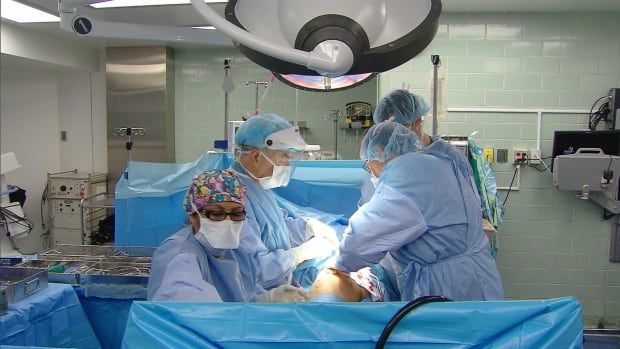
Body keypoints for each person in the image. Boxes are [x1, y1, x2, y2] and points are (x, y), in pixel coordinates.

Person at [336, 122, 503, 301]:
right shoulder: (439, 163)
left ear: (378, 150)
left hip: (448, 289)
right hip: (480, 278)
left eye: (369, 165)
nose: (372, 173)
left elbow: (359, 242)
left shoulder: (405, 176)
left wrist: (337, 263)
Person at [147, 169, 308, 302]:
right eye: (217, 213)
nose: (228, 221)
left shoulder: (235, 252)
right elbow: (196, 314)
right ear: (193, 215)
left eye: (237, 213)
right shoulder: (180, 255)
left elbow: (243, 297)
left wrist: (265, 299)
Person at [231, 114, 338, 290]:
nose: (287, 164)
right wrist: (299, 254)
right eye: (284, 156)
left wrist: (307, 228)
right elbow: (256, 271)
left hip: (281, 280)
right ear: (256, 156)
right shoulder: (235, 199)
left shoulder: (256, 186)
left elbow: (275, 227)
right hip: (263, 294)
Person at [359, 89, 478, 206]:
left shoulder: (451, 159)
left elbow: (469, 207)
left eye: (397, 129)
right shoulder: (384, 156)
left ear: (417, 122)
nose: (390, 136)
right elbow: (369, 202)